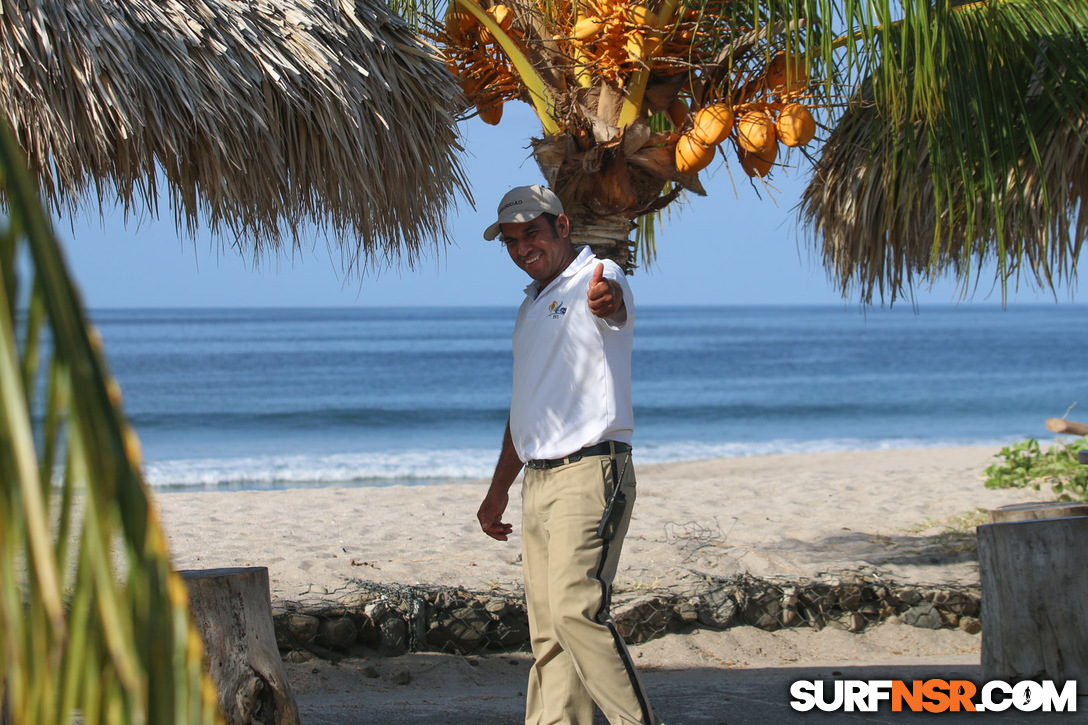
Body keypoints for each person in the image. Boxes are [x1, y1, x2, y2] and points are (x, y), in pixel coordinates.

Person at [477, 184, 658, 725]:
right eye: (510, 239)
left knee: (577, 613)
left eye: (531, 232)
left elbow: (614, 303)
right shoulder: (529, 308)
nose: (522, 247)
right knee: (549, 632)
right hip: (538, 480)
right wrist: (496, 491)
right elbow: (524, 409)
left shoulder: (597, 276)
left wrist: (609, 300)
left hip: (591, 471)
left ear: (562, 227)